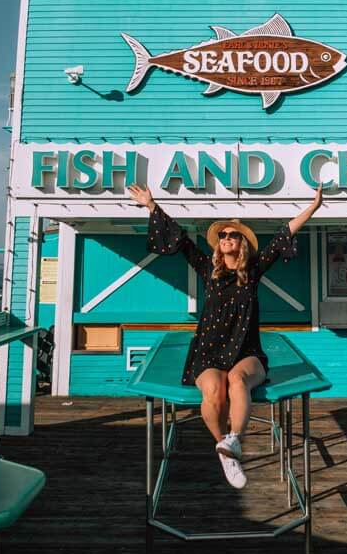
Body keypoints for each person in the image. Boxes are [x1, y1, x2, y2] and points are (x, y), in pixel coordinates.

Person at [128, 183, 323, 489]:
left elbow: (284, 234)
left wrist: (312, 208)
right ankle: (225, 451)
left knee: (237, 381)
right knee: (214, 391)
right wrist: (152, 205)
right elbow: (179, 239)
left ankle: (235, 440)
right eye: (223, 235)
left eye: (233, 234)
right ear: (218, 244)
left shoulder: (254, 270)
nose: (227, 238)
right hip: (208, 350)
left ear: (242, 242)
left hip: (247, 350)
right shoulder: (208, 270)